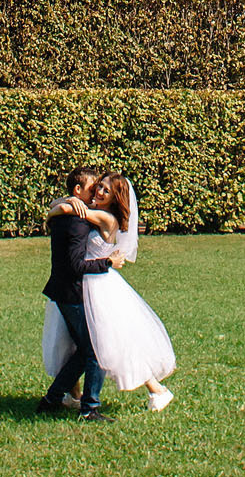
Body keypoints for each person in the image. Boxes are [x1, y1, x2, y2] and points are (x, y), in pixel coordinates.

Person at [43, 172, 177, 411]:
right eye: (98, 187)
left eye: (105, 189)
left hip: (98, 285)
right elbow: (64, 209)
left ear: (115, 197)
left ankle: (155, 390)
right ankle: (71, 396)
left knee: (112, 342)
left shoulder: (106, 217)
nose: (99, 192)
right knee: (81, 342)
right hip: (83, 281)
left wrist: (60, 206)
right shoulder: (94, 209)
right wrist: (64, 202)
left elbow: (64, 211)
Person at [36, 165, 118, 419]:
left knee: (85, 351)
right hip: (72, 293)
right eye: (92, 188)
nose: (95, 193)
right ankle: (89, 408)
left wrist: (63, 204)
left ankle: (52, 398)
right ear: (78, 190)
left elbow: (56, 208)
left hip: (64, 291)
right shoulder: (75, 222)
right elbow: (75, 265)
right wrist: (108, 263)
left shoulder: (67, 215)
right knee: (95, 349)